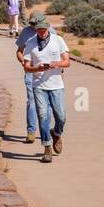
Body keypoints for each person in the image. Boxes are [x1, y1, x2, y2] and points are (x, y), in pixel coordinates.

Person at [21, 15, 70, 163]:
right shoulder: (30, 43)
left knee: (61, 116)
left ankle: (56, 133)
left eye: (43, 29)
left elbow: (67, 62)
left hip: (56, 85)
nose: (41, 32)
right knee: (43, 116)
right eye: (39, 29)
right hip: (39, 86)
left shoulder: (58, 40)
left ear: (48, 28)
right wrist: (37, 68)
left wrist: (58, 64)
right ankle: (47, 147)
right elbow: (26, 66)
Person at [15, 12, 45, 144]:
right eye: (31, 23)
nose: (32, 26)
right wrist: (24, 62)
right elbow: (19, 51)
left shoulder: (52, 33)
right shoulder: (26, 32)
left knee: (46, 103)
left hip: (47, 73)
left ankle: (45, 130)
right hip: (30, 71)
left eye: (34, 23)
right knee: (32, 100)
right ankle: (31, 131)